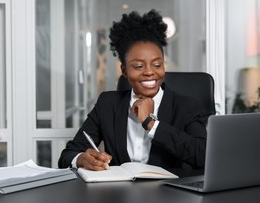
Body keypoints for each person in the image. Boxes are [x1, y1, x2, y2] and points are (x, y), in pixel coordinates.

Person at [58, 9, 210, 171]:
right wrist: (82, 159)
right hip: (119, 193)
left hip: (170, 193)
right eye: (138, 66)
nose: (150, 72)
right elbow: (67, 156)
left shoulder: (185, 106)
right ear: (124, 71)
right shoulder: (108, 104)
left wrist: (151, 123)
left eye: (157, 65)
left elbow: (204, 156)